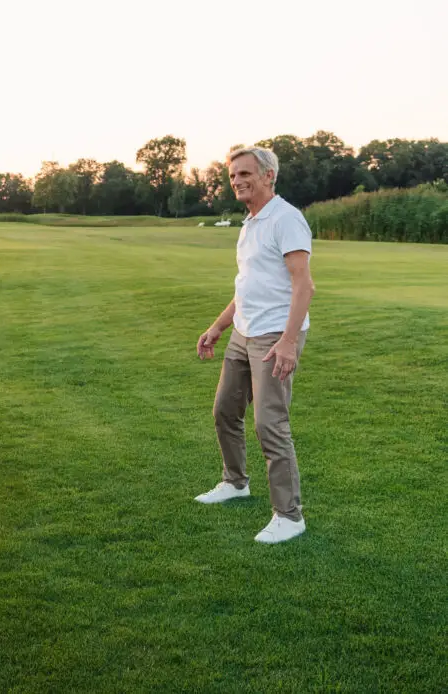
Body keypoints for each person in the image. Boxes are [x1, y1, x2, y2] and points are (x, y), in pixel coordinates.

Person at [194, 145, 316, 544]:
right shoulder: (249, 224)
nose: (237, 182)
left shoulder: (287, 219)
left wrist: (286, 341)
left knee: (270, 423)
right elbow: (247, 287)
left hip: (274, 335)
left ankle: (289, 515)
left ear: (268, 176)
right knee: (225, 411)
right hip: (244, 332)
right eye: (233, 176)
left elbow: (304, 286)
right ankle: (235, 482)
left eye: (245, 174)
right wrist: (217, 327)